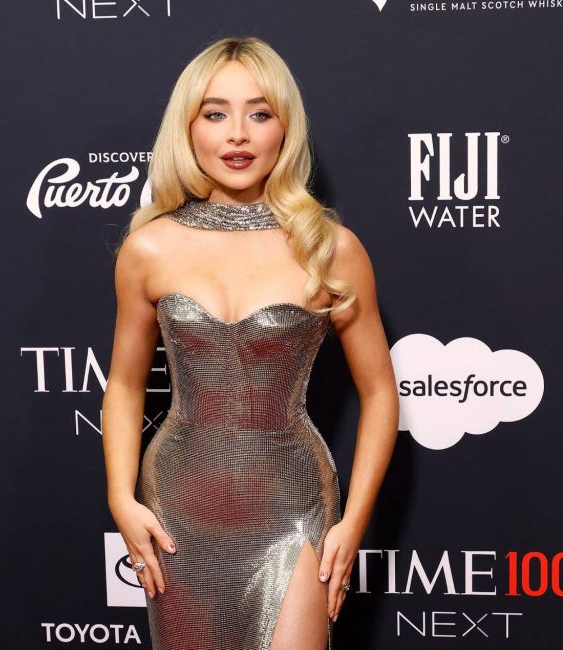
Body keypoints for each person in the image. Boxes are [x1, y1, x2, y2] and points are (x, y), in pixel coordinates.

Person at [101, 36, 399, 650]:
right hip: (180, 502)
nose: (237, 134)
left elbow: (380, 392)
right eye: (215, 114)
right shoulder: (150, 248)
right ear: (188, 127)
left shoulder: (330, 248)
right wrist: (119, 498)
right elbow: (127, 385)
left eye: (259, 113)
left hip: (290, 500)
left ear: (285, 127)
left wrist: (353, 522)